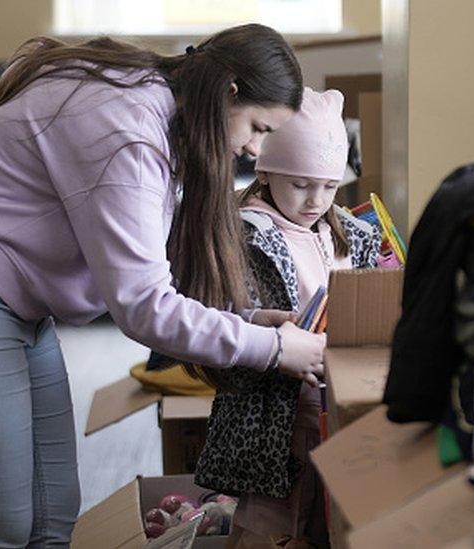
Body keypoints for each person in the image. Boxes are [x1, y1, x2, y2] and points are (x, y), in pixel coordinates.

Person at [0, 24, 325, 547]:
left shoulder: (159, 106)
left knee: (53, 515)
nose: (252, 149)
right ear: (229, 91)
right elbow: (143, 308)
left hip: (10, 304)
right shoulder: (129, 132)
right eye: (258, 127)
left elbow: (146, 265)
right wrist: (272, 348)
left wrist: (246, 323)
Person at [194, 88, 382, 548]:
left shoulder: (348, 234)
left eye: (330, 186)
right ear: (265, 171)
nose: (316, 200)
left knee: (329, 519)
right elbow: (212, 317)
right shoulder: (244, 233)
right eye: (300, 184)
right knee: (272, 524)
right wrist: (259, 322)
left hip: (338, 406)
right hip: (274, 420)